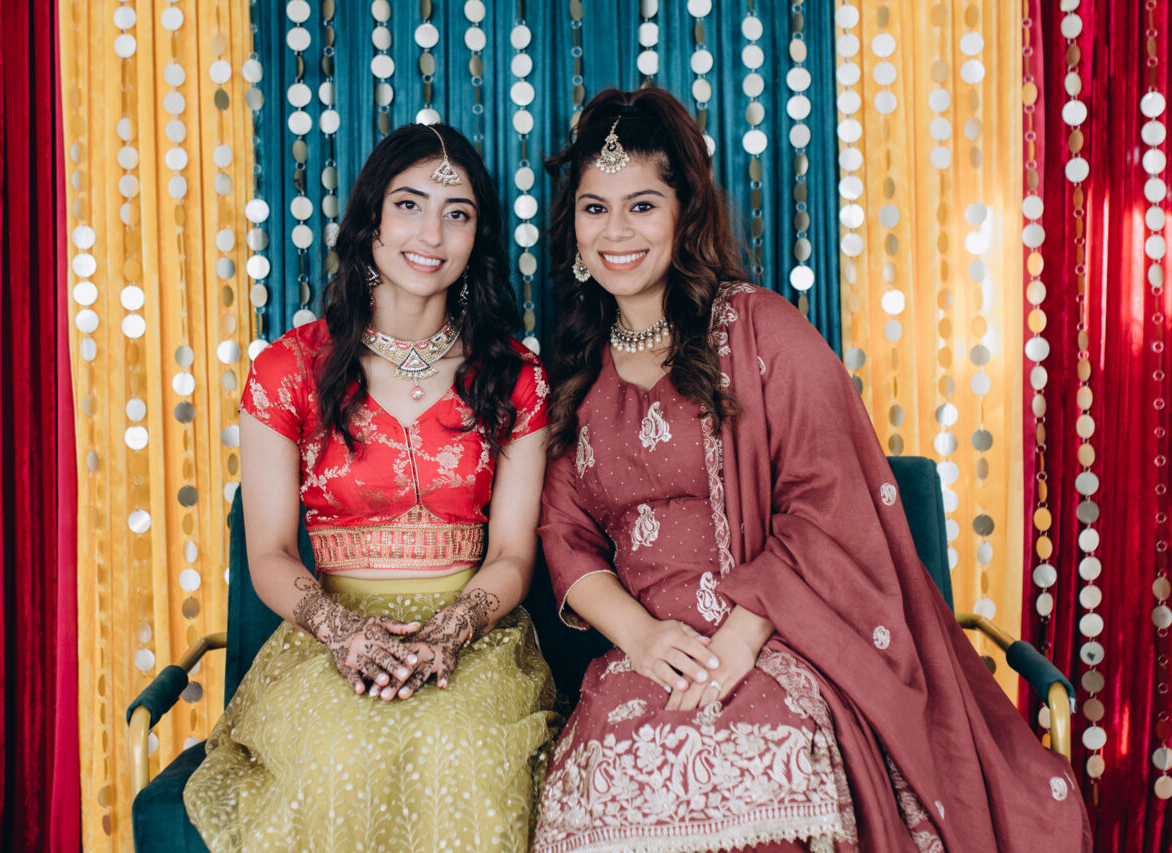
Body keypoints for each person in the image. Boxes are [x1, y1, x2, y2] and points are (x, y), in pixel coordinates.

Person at [533, 87, 1091, 853]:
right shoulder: (576, 371)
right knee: (613, 773)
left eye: (642, 205)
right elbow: (564, 533)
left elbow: (826, 502)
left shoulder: (760, 330)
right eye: (595, 208)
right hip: (646, 654)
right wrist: (643, 636)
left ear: (684, 213)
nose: (616, 231)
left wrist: (740, 638)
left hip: (777, 638)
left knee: (762, 764)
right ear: (572, 225)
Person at [183, 123, 559, 851]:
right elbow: (269, 553)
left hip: (473, 637)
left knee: (461, 751)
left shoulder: (514, 377)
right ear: (371, 220)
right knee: (339, 754)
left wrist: (451, 631)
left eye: (457, 213)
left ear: (477, 238)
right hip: (328, 634)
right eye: (409, 205)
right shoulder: (288, 371)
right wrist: (345, 634)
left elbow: (513, 553)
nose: (431, 234)